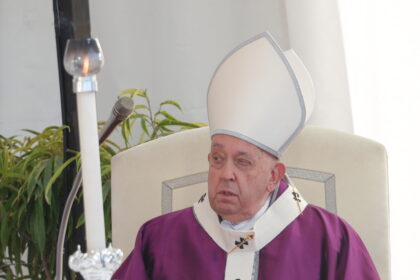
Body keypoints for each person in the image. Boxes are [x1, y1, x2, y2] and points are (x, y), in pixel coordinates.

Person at [112, 32, 380, 280]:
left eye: (243, 162)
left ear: (274, 176)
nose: (226, 174)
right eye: (217, 159)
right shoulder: (159, 240)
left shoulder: (331, 241)